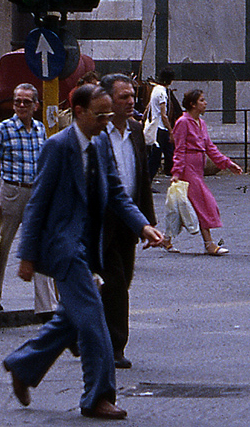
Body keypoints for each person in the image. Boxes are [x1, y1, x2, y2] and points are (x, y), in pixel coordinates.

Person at [3, 83, 166, 420]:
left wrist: (143, 225)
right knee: (94, 322)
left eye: (109, 114)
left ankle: (23, 365)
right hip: (64, 248)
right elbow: (37, 204)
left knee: (69, 319)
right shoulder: (57, 147)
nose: (107, 120)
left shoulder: (101, 144)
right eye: (100, 115)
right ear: (79, 112)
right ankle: (98, 396)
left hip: (92, 245)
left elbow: (118, 194)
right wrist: (27, 255)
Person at [0, 83, 56, 313]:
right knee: (0, 247)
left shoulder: (40, 129)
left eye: (26, 102)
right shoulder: (4, 129)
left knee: (41, 247)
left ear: (36, 106)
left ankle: (47, 305)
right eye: (17, 101)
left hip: (36, 193)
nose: (21, 106)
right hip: (11, 192)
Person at [97, 74, 156, 368]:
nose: (131, 101)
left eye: (132, 95)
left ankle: (80, 331)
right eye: (124, 97)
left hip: (130, 220)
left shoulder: (134, 129)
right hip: (100, 222)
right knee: (115, 283)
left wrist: (147, 222)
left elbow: (142, 177)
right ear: (108, 100)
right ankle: (115, 346)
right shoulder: (95, 132)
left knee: (123, 279)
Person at [170, 88, 241, 254]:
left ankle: (166, 239)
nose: (205, 103)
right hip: (188, 167)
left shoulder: (201, 123)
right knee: (203, 202)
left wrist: (227, 163)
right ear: (193, 104)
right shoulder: (183, 122)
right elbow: (179, 148)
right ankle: (209, 244)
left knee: (186, 205)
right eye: (202, 100)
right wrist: (177, 171)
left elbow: (210, 147)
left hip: (197, 166)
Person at [145, 68, 174, 176]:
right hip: (161, 128)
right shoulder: (162, 93)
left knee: (166, 153)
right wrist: (170, 130)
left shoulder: (155, 89)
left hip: (156, 127)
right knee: (156, 158)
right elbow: (163, 115)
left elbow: (149, 106)